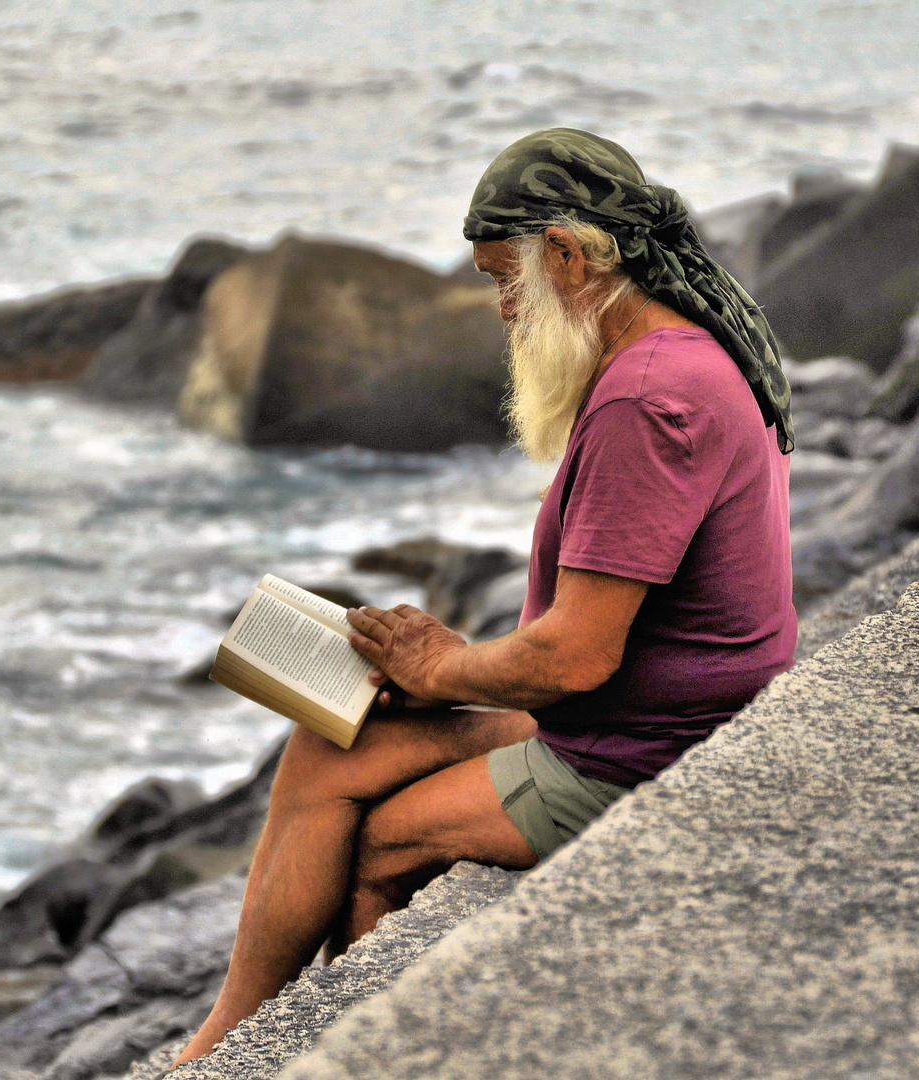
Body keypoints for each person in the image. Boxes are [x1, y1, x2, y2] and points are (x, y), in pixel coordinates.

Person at [174, 128, 797, 1066]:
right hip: (642, 713)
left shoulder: (646, 401)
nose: (504, 309)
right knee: (327, 745)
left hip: (646, 751)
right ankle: (226, 1040)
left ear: (565, 255)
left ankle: (342, 1052)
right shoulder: (672, 354)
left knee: (384, 841)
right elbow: (589, 640)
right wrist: (437, 670)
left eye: (504, 278)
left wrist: (443, 667)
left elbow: (574, 658)